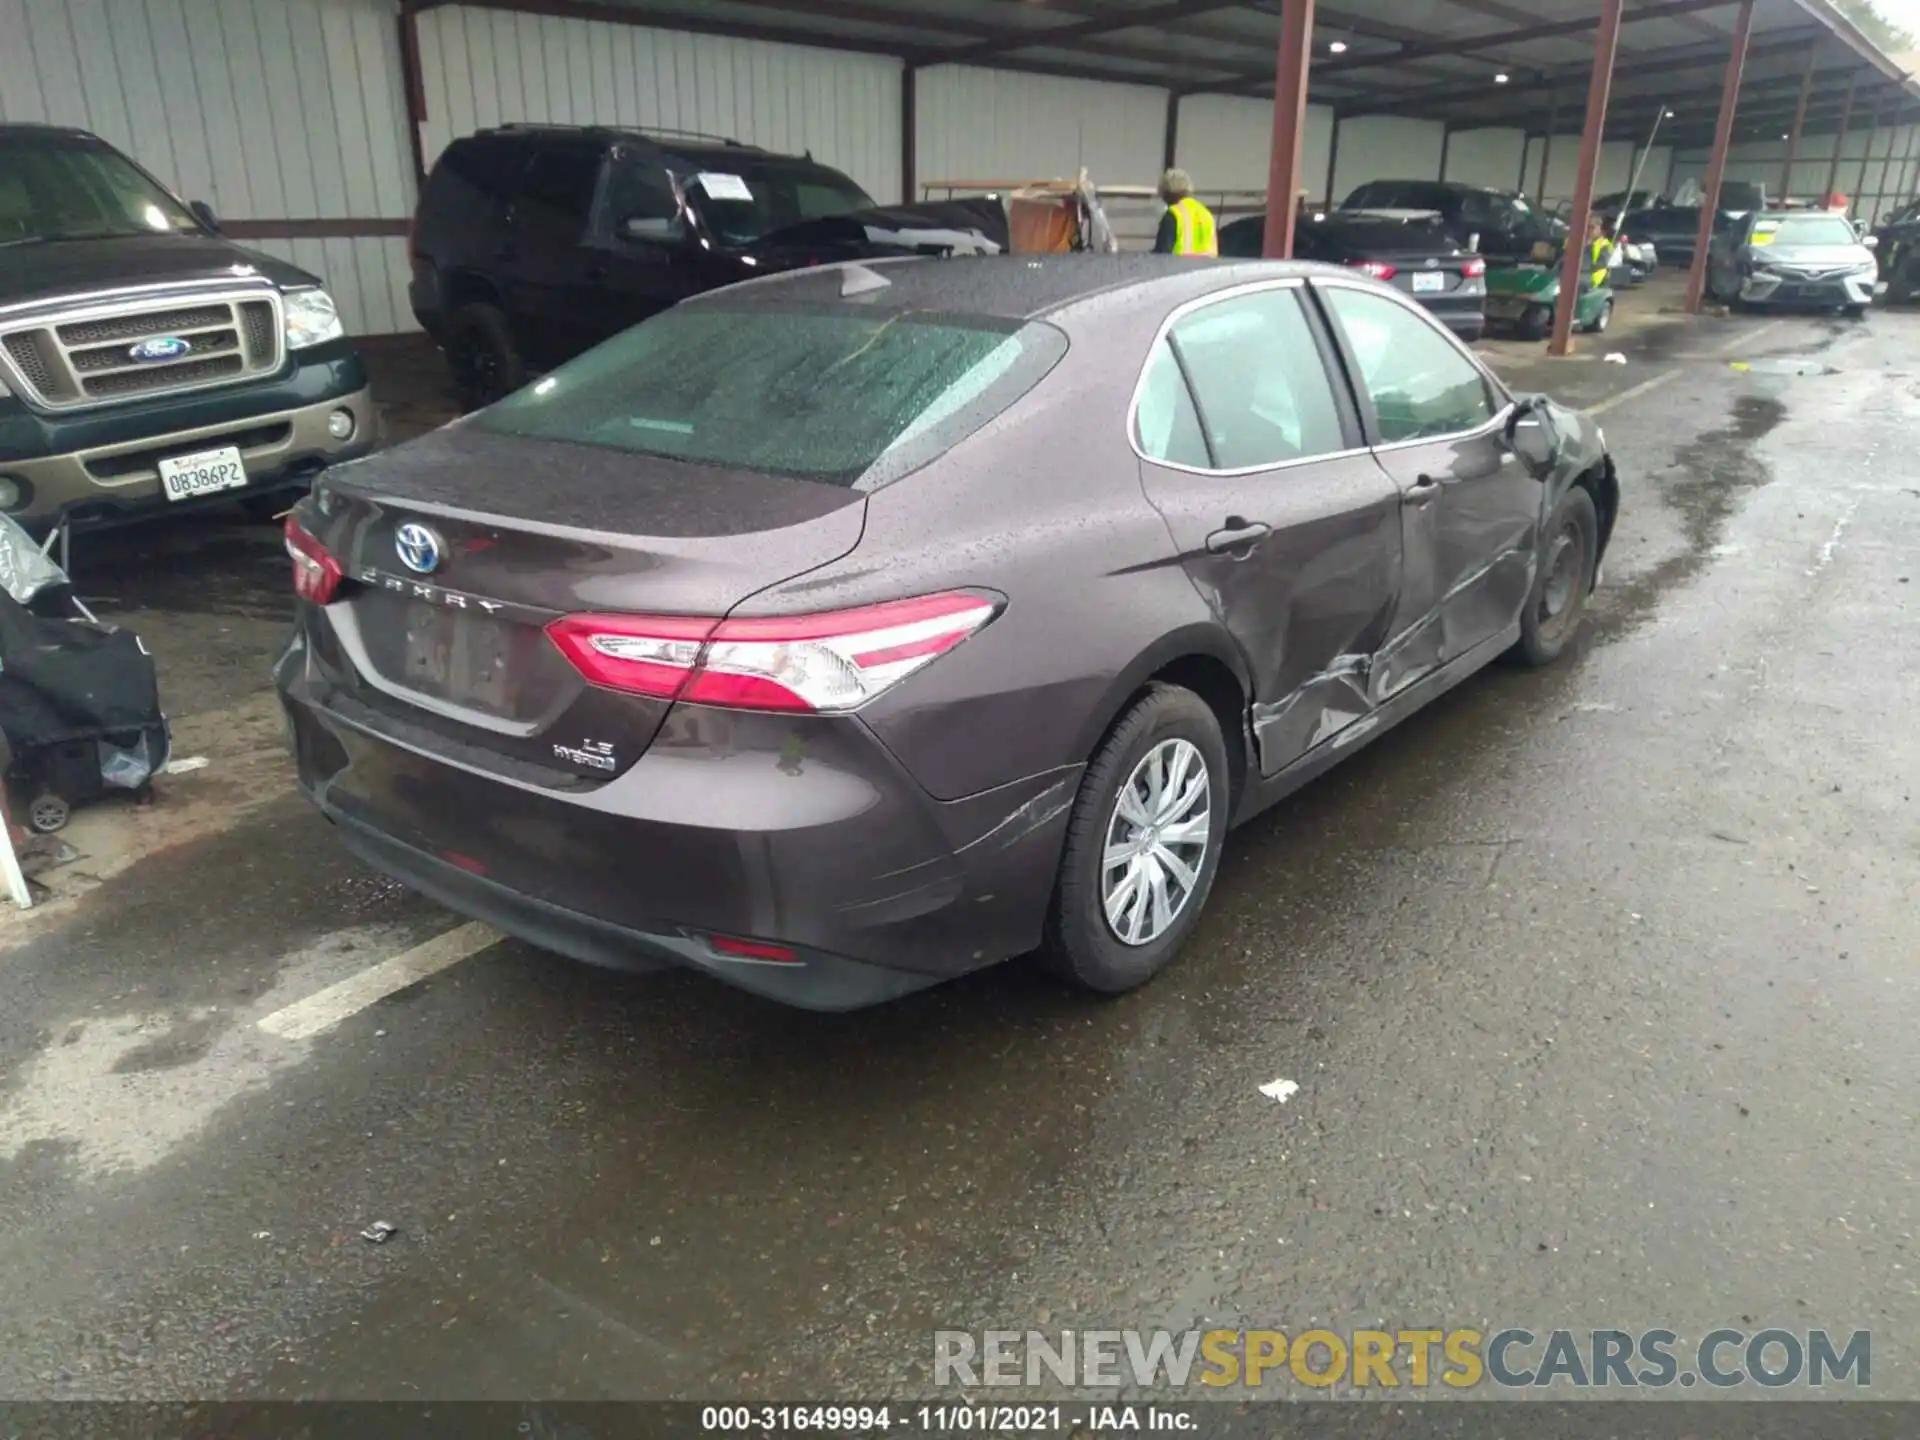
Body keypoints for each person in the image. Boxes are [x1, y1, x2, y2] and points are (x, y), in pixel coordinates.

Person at [1153, 169, 1217, 256]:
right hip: (1205, 269)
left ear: (1167, 193)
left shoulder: (1173, 214)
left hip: (1177, 268)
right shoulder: (1206, 214)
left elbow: (1161, 255)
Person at [1585, 215, 1613, 289]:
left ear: (1599, 228)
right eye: (1588, 227)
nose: (1589, 230)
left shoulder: (1605, 244)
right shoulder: (1584, 243)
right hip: (1584, 280)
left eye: (1592, 227)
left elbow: (1603, 264)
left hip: (1598, 284)